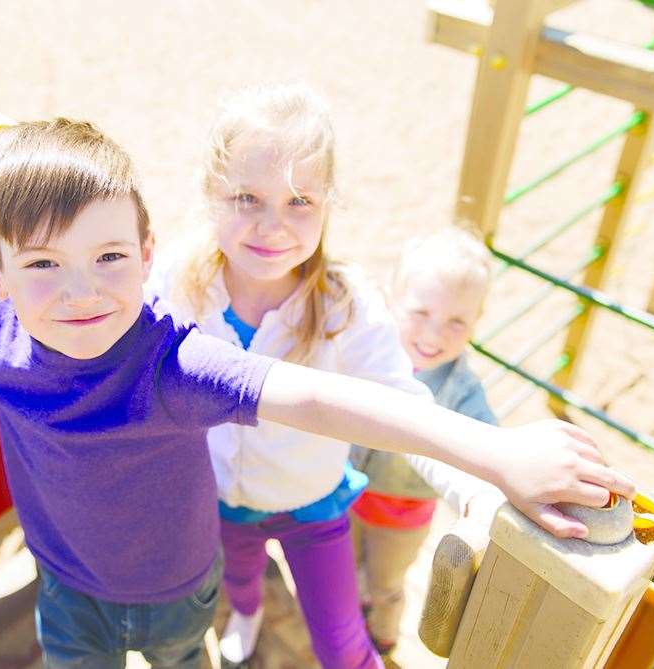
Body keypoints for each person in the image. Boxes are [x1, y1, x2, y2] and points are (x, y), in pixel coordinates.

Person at [0, 118, 632, 669]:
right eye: (44, 265)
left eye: (109, 258)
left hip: (177, 590)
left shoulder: (172, 364)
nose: (82, 291)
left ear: (149, 252)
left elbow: (318, 399)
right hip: (66, 585)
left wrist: (493, 452)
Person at [149, 84, 587, 668]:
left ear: (328, 202)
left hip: (312, 507)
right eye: (247, 197)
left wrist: (479, 487)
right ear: (211, 193)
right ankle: (250, 613)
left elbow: (405, 406)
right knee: (242, 579)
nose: (272, 227)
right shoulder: (180, 279)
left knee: (343, 643)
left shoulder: (344, 305)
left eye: (299, 201)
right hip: (220, 498)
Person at [350, 225, 498, 655]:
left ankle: (382, 634)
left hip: (402, 513)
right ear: (391, 301)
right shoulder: (373, 353)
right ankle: (350, 615)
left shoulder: (461, 389)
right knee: (345, 567)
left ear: (476, 322)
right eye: (420, 313)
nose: (434, 335)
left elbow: (488, 440)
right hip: (347, 490)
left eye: (457, 321)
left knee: (385, 582)